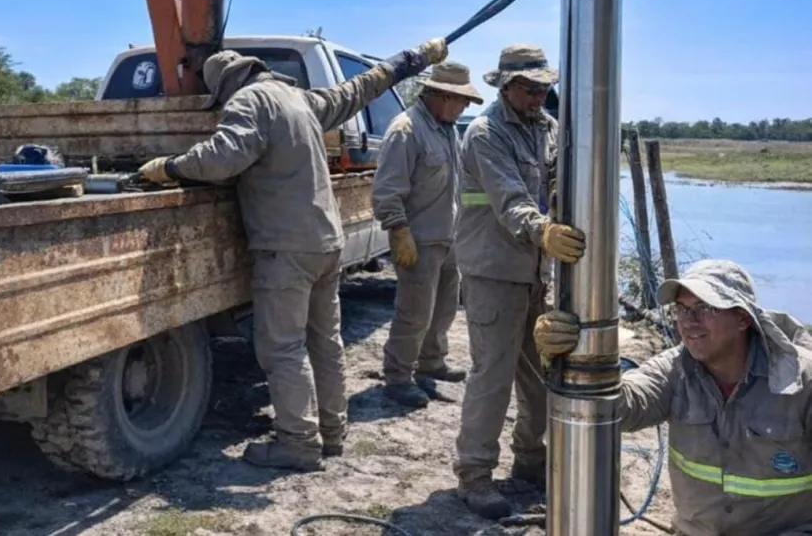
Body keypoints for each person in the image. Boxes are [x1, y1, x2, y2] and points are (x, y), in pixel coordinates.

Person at [137, 38, 448, 473]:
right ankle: (332, 431)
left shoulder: (249, 101)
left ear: (226, 86)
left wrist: (170, 167)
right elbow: (356, 90)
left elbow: (223, 158)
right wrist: (409, 60)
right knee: (325, 341)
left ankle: (298, 442)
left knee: (282, 347)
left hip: (285, 248)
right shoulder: (300, 99)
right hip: (326, 242)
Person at [534, 258, 812, 536]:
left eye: (704, 308)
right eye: (682, 309)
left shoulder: (801, 381)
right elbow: (622, 406)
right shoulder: (674, 371)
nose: (689, 322)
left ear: (743, 318)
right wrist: (570, 362)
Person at [451, 43, 587, 520]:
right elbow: (510, 199)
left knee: (537, 374)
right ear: (506, 86)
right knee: (492, 375)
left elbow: (555, 180)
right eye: (530, 90)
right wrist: (544, 230)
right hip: (493, 270)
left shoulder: (545, 128)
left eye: (544, 90)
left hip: (533, 272)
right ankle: (474, 475)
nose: (538, 98)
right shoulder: (486, 133)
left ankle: (531, 460)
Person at [372, 61, 484, 408]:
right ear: (443, 95)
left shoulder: (447, 130)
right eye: (462, 101)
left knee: (444, 308)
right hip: (418, 240)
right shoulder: (406, 130)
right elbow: (387, 189)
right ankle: (398, 376)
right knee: (414, 313)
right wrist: (398, 229)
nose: (464, 108)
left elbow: (459, 185)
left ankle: (431, 362)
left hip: (448, 236)